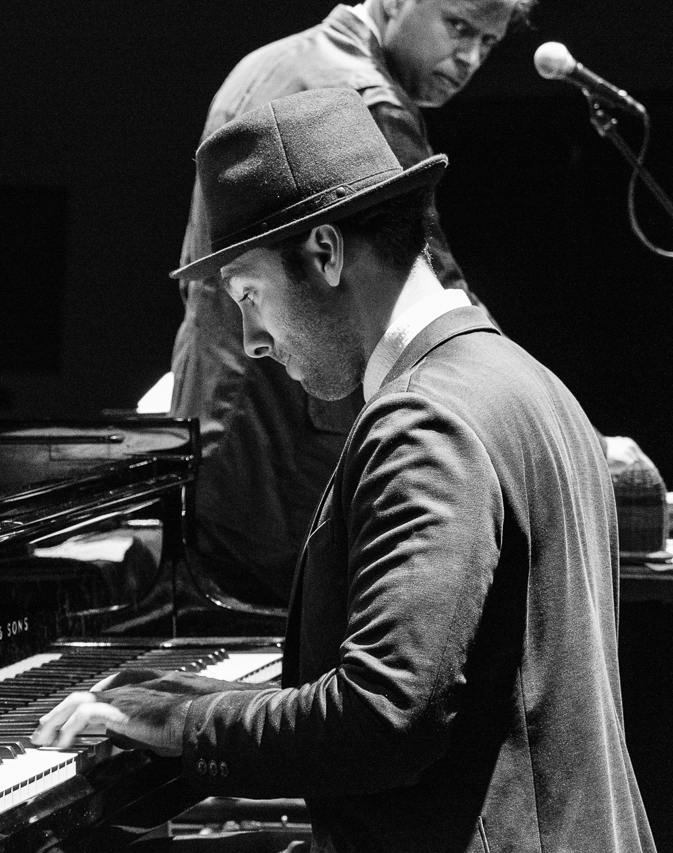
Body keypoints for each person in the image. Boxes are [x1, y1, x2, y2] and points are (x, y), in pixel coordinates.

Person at [35, 89, 655, 851]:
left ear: (325, 252)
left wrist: (187, 720)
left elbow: (384, 718)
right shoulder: (528, 381)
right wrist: (203, 699)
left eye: (251, 296)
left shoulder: (423, 422)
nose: (253, 340)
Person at [170, 0, 529, 607]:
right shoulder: (367, 102)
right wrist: (529, 410)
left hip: (206, 431)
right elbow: (429, 297)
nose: (469, 58)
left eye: (488, 42)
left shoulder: (266, 61)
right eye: (458, 26)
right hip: (288, 463)